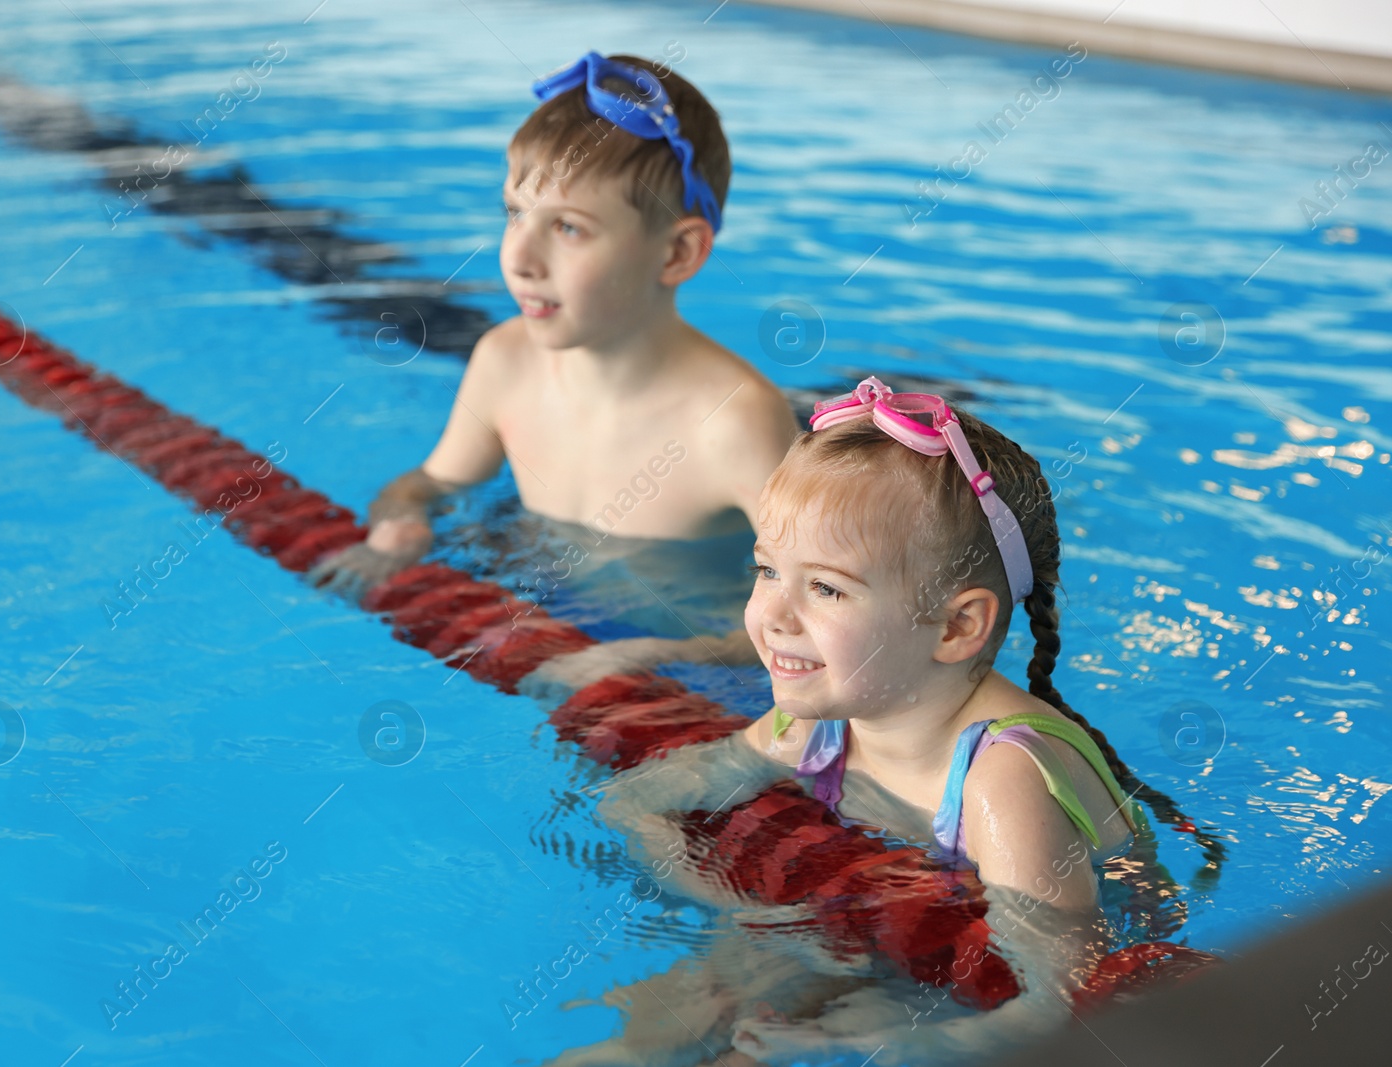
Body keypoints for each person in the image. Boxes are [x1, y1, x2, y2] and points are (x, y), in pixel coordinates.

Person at [551, 376, 1223, 1065]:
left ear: (957, 626)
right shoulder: (819, 717)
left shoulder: (1004, 781)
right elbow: (637, 802)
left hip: (976, 966)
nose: (772, 616)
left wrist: (873, 1042)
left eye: (825, 587)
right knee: (684, 1007)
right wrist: (737, 903)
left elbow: (1054, 1004)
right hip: (882, 913)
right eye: (765, 569)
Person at [310, 51, 797, 672]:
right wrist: (400, 522)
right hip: (535, 605)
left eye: (568, 227)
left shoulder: (736, 420)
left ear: (677, 253)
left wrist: (663, 656)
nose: (520, 258)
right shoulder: (504, 360)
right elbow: (431, 482)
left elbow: (810, 612)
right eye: (516, 212)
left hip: (693, 653)